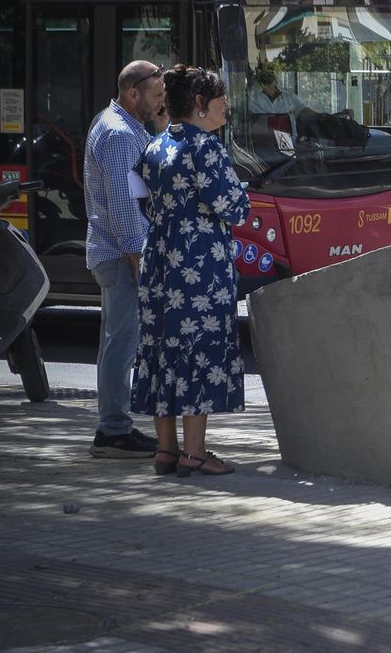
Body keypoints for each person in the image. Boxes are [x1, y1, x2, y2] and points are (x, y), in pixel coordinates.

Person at [132, 66, 250, 477]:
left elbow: (144, 202)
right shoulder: (206, 148)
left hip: (159, 260)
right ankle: (195, 453)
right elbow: (233, 207)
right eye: (220, 99)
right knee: (198, 347)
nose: (226, 105)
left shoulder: (155, 146)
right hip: (199, 265)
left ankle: (166, 450)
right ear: (200, 103)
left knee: (161, 348)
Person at [82, 61, 166, 459]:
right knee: (122, 343)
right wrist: (140, 261)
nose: (161, 101)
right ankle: (113, 431)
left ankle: (114, 426)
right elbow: (123, 208)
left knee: (118, 341)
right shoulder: (118, 135)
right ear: (134, 93)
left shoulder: (124, 125)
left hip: (118, 253)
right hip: (122, 255)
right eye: (156, 95)